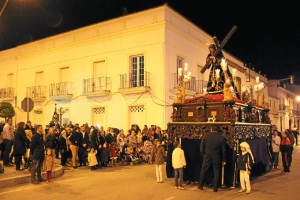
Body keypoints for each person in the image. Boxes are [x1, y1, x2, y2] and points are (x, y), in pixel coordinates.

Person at [198, 125, 226, 192]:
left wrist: (203, 155)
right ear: (218, 130)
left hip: (207, 156)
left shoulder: (206, 136)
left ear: (211, 129)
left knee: (203, 171)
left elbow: (201, 148)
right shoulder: (221, 138)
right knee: (216, 172)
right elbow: (223, 150)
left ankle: (200, 185)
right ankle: (215, 188)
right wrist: (224, 159)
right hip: (217, 157)